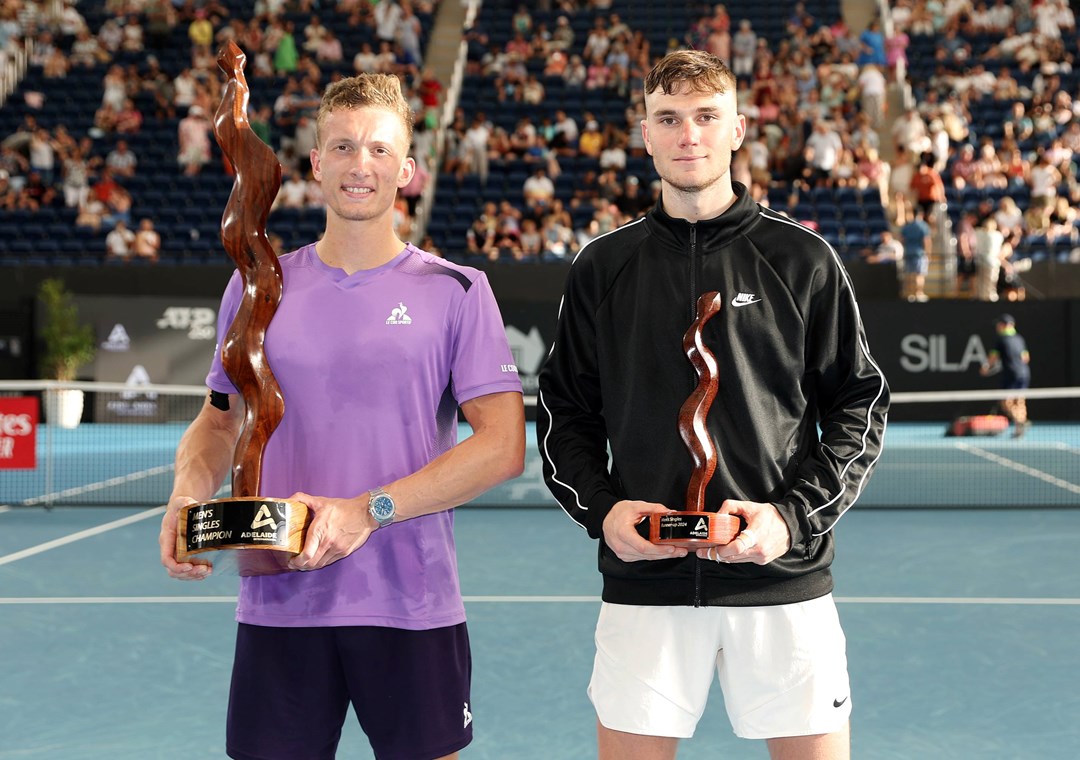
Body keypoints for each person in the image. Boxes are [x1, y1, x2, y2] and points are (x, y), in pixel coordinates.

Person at [158, 72, 526, 760]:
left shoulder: (460, 291)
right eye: (345, 147)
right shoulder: (253, 288)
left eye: (381, 150)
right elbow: (216, 422)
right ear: (316, 164)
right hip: (278, 600)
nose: (363, 165)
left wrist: (367, 510)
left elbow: (503, 446)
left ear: (407, 171)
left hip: (412, 604)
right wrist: (188, 493)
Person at [536, 50, 889, 760]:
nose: (688, 135)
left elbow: (860, 404)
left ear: (737, 130)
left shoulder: (804, 260)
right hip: (645, 588)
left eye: (706, 117)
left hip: (782, 586)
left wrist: (788, 522)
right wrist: (605, 512)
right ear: (645, 134)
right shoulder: (602, 267)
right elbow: (562, 416)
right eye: (669, 119)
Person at [980, 314, 1031, 437]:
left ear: (1003, 325)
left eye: (999, 324)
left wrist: (985, 368)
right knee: (1019, 401)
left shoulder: (1001, 340)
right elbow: (1025, 358)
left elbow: (993, 358)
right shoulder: (1019, 338)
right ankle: (1020, 428)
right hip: (1024, 374)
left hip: (1011, 375)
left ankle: (1021, 421)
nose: (997, 327)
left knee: (1005, 402)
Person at [899, 206, 931, 302]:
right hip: (919, 254)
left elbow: (902, 240)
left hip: (909, 252)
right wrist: (928, 253)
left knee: (909, 274)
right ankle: (918, 293)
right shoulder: (923, 226)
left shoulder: (907, 226)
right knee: (919, 274)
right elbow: (926, 241)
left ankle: (910, 294)